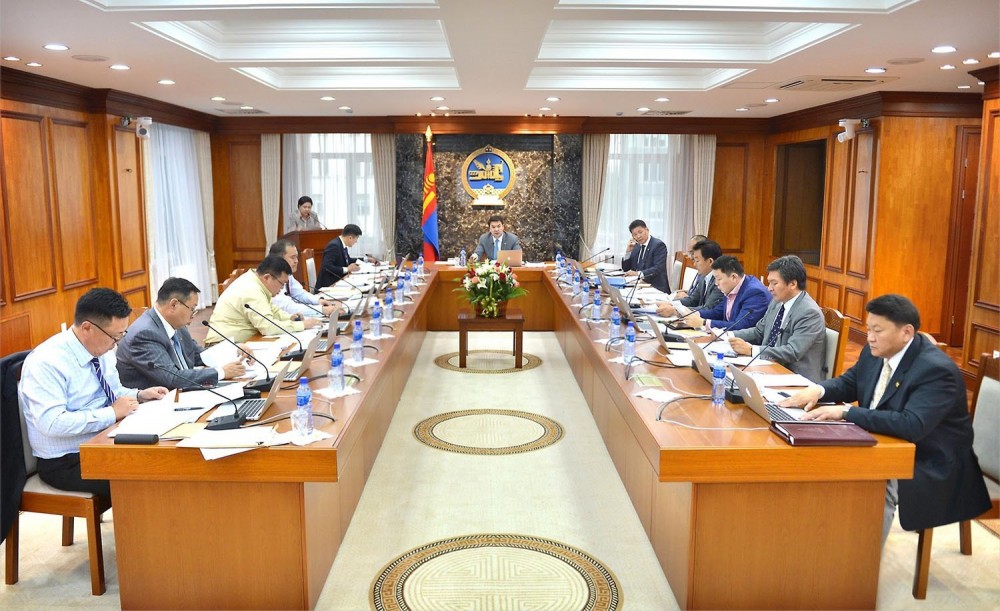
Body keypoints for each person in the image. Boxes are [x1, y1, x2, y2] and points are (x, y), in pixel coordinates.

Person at [780, 294, 991, 543]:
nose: (869, 337)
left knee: (877, 479)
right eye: (869, 329)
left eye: (877, 331)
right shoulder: (874, 352)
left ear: (906, 332)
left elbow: (911, 425)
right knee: (818, 456)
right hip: (880, 438)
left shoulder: (936, 370)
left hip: (930, 456)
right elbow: (850, 382)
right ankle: (821, 535)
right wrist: (819, 390)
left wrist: (846, 412)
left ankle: (861, 557)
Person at [18, 288, 168, 500]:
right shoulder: (46, 362)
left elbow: (112, 393)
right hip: (66, 460)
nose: (117, 343)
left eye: (122, 335)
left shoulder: (101, 350)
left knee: (163, 460)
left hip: (104, 442)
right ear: (87, 327)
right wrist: (111, 414)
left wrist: (139, 395)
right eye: (114, 336)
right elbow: (50, 423)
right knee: (143, 481)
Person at [116, 278, 246, 389]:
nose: (193, 315)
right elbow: (172, 378)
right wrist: (221, 372)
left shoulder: (177, 325)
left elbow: (198, 355)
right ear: (173, 305)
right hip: (157, 402)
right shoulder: (145, 334)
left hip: (183, 393)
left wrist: (234, 350)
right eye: (192, 309)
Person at [729, 255, 826, 382]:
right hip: (767, 367)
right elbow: (759, 331)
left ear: (792, 284)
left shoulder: (809, 313)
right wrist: (728, 335)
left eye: (774, 283)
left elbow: (792, 351)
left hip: (794, 378)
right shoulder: (777, 302)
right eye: (769, 283)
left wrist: (752, 350)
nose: (769, 288)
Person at [205, 256, 321, 345]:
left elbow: (270, 310)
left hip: (242, 343)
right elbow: (268, 327)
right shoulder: (252, 290)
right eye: (281, 284)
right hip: (222, 346)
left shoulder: (256, 281)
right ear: (267, 277)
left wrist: (289, 318)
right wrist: (302, 325)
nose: (282, 289)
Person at [686, 255, 769, 332]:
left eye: (719, 279)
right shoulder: (731, 287)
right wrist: (694, 313)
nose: (716, 283)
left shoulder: (755, 293)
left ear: (733, 277)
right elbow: (718, 312)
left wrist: (704, 323)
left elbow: (741, 326)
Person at [267, 240, 344, 318]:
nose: (296, 261)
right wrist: (322, 310)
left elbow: (300, 294)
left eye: (296, 257)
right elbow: (289, 308)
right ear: (279, 259)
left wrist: (318, 300)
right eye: (292, 257)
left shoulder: (287, 274)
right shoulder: (272, 279)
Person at [657, 238, 724, 318]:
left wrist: (676, 310)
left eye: (697, 261)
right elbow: (692, 300)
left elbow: (708, 309)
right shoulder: (703, 276)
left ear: (710, 261)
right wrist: (670, 304)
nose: (694, 264)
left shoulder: (720, 281)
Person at [315, 224, 378, 290]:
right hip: (328, 286)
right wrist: (347, 269)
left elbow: (348, 260)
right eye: (356, 239)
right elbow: (327, 267)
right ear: (350, 238)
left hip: (338, 281)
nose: (356, 242)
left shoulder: (341, 244)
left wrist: (367, 259)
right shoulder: (334, 246)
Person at [621, 219, 670, 293]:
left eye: (640, 232)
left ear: (647, 229)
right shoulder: (636, 246)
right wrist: (628, 252)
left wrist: (638, 274)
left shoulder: (658, 245)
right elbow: (626, 269)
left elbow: (658, 268)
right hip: (639, 285)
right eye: (635, 234)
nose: (638, 236)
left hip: (655, 287)